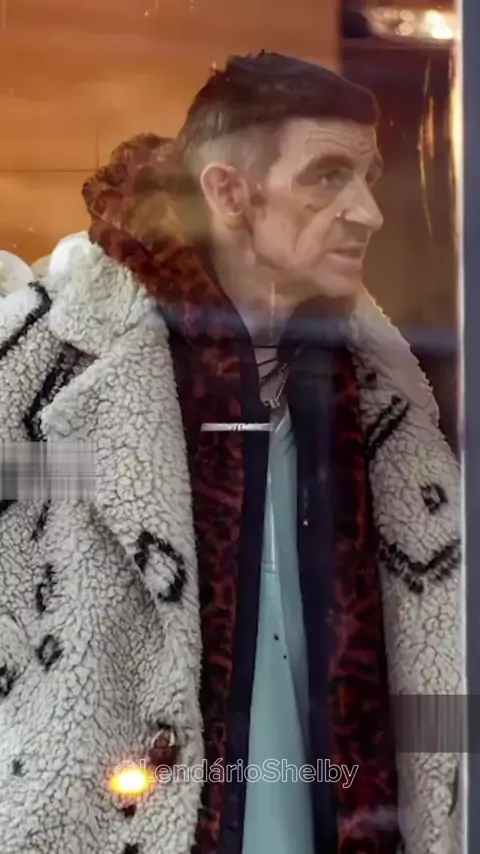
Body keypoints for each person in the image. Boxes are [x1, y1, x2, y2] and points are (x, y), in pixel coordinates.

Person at [0, 54, 461, 854]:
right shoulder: (52, 370)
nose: (367, 211)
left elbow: (438, 654)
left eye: (367, 176)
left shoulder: (384, 395)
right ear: (229, 193)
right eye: (328, 176)